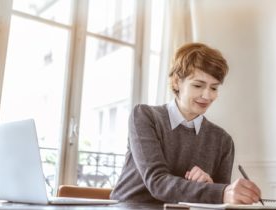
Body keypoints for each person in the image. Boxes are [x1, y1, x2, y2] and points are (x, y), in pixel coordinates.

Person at [110, 42, 262, 204]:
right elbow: (157, 182)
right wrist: (218, 192)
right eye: (198, 85)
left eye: (214, 88)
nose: (207, 96)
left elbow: (219, 198)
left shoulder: (223, 141)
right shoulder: (145, 116)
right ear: (176, 82)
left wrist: (210, 185)